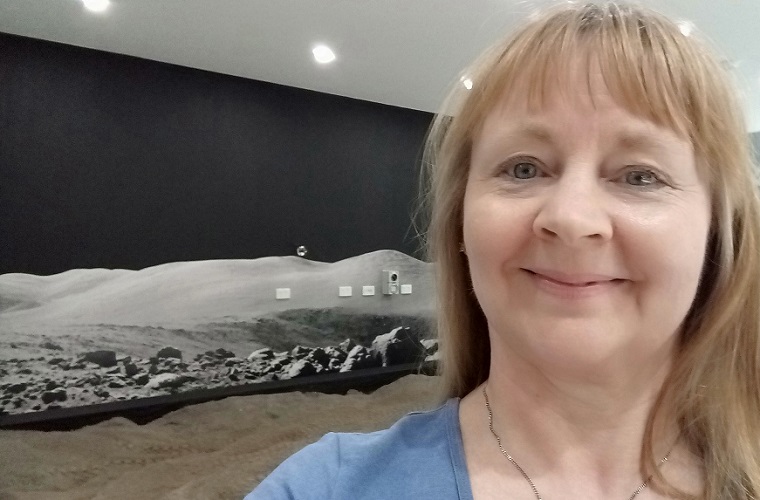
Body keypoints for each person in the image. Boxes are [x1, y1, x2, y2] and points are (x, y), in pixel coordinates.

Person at [246, 2, 760, 498]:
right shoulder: (325, 488)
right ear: (461, 227)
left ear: (718, 233)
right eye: (524, 168)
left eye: (640, 175)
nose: (571, 218)